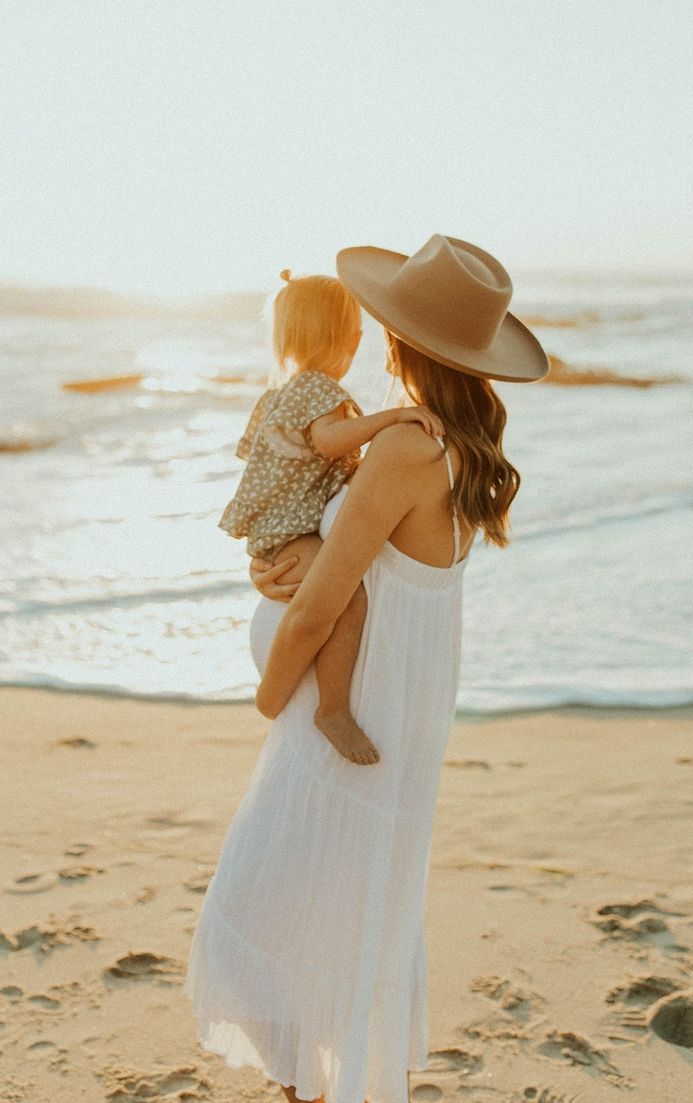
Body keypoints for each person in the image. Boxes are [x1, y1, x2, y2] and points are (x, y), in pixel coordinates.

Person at [185, 234, 549, 1103]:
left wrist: (271, 694)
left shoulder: (403, 449)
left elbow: (324, 603)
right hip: (403, 700)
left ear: (397, 341)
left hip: (351, 708)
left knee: (271, 897)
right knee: (346, 893)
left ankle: (310, 1086)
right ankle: (320, 1077)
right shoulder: (457, 447)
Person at [218, 268, 445, 765]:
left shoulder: (282, 393)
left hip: (281, 530)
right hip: (291, 531)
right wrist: (390, 417)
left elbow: (289, 459)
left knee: (337, 600)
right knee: (348, 604)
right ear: (349, 339)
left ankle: (316, 703)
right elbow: (327, 442)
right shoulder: (320, 391)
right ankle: (322, 707)